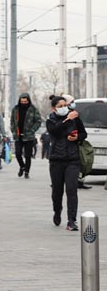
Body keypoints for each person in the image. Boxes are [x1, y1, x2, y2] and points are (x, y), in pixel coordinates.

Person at [45, 94, 87, 231]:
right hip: (56, 160)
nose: (64, 108)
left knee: (71, 190)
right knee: (57, 191)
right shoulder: (50, 120)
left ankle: (71, 221)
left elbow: (83, 134)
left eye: (65, 106)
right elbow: (55, 132)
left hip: (72, 159)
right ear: (54, 109)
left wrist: (76, 138)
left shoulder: (75, 118)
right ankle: (57, 211)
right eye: (60, 106)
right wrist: (66, 120)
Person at [9, 93, 42, 179]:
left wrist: (32, 130)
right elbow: (12, 121)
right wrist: (13, 130)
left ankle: (27, 171)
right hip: (18, 135)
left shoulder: (33, 109)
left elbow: (38, 121)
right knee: (18, 153)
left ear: (28, 101)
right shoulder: (15, 109)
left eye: (25, 101)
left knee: (28, 155)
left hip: (29, 136)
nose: (23, 103)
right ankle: (22, 166)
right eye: (22, 101)